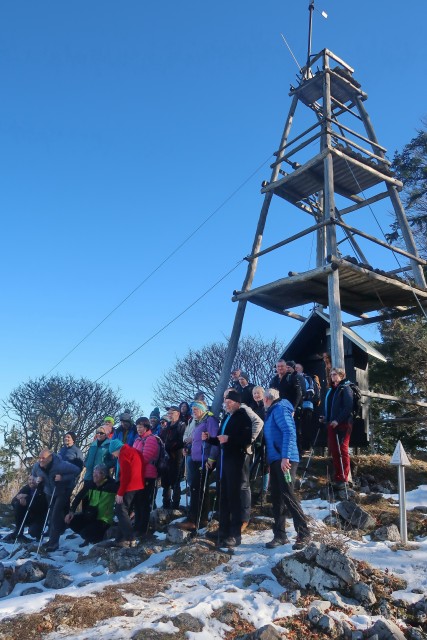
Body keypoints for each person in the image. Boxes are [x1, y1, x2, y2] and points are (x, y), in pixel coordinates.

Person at [263, 388, 311, 550]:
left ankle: (304, 532)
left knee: (288, 495)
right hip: (276, 459)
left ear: (268, 399)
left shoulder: (280, 409)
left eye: (263, 398)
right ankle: (280, 534)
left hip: (286, 460)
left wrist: (285, 457)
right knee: (276, 497)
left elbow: (289, 432)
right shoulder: (272, 411)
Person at [204, 390, 252, 547]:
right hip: (223, 461)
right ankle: (223, 529)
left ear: (237, 403)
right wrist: (210, 439)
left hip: (235, 460)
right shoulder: (226, 417)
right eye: (226, 401)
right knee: (222, 495)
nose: (227, 404)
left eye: (230, 401)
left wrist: (229, 439)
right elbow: (220, 440)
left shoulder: (243, 417)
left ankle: (235, 535)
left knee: (234, 496)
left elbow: (246, 438)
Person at [178, 401, 219, 531]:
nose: (193, 411)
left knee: (198, 489)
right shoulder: (199, 422)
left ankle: (195, 519)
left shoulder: (209, 420)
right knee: (198, 488)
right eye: (193, 409)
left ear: (203, 409)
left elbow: (215, 441)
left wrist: (211, 458)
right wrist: (188, 450)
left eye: (196, 409)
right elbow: (197, 442)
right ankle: (200, 518)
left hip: (204, 460)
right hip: (196, 459)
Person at [32, 449, 81, 552]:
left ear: (50, 458)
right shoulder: (37, 466)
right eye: (39, 457)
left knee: (55, 514)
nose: (41, 460)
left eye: (43, 458)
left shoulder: (60, 465)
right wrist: (37, 479)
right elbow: (33, 475)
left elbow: (77, 470)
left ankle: (54, 543)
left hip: (63, 490)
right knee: (50, 514)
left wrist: (62, 477)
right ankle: (51, 540)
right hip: (49, 491)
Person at [65, 464, 118, 546]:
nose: (94, 475)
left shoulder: (111, 485)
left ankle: (99, 537)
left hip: (103, 520)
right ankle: (89, 537)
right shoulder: (90, 484)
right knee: (70, 521)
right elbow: (79, 497)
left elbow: (124, 496)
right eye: (94, 472)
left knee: (86, 533)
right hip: (90, 516)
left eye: (98, 473)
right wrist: (71, 511)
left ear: (104, 475)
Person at [108, 439, 145, 547]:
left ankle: (130, 537)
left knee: (120, 510)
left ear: (116, 449)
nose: (114, 456)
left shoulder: (123, 455)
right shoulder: (135, 451)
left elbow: (126, 475)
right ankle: (119, 538)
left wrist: (120, 492)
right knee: (125, 511)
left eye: (113, 453)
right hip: (139, 485)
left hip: (130, 486)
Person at [324, 367, 353, 486]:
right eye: (331, 375)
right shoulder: (332, 390)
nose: (332, 377)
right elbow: (331, 407)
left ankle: (344, 476)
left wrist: (338, 419)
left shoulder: (345, 388)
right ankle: (338, 475)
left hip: (344, 423)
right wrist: (326, 418)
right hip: (332, 423)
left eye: (335, 374)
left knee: (343, 449)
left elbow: (348, 407)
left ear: (341, 375)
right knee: (335, 450)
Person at [133, 417, 160, 537]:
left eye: (141, 427)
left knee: (144, 502)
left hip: (148, 474)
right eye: (137, 427)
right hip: (137, 474)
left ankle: (142, 528)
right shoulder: (138, 440)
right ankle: (137, 526)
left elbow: (145, 458)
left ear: (146, 427)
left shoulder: (151, 439)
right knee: (137, 501)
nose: (138, 429)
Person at [2, 475, 47, 542]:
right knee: (18, 504)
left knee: (33, 532)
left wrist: (27, 499)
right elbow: (13, 501)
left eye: (33, 480)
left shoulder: (42, 489)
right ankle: (18, 532)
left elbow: (41, 506)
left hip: (38, 517)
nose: (31, 482)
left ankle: (39, 535)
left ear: (37, 480)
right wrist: (19, 498)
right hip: (27, 516)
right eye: (30, 480)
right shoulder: (26, 488)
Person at [160, 405, 185, 509]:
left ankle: (175, 506)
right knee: (165, 482)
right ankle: (166, 504)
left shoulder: (181, 425)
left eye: (171, 413)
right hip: (166, 458)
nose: (169, 415)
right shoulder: (167, 426)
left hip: (176, 457)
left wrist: (170, 446)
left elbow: (182, 441)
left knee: (175, 482)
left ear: (177, 413)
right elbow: (162, 438)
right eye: (168, 413)